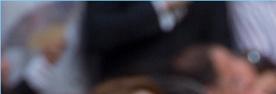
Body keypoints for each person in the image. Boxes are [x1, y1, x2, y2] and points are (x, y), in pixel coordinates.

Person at [82, 1, 232, 83]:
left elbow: (220, 46)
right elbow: (99, 34)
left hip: (187, 90)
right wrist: (160, 6)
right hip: (128, 84)